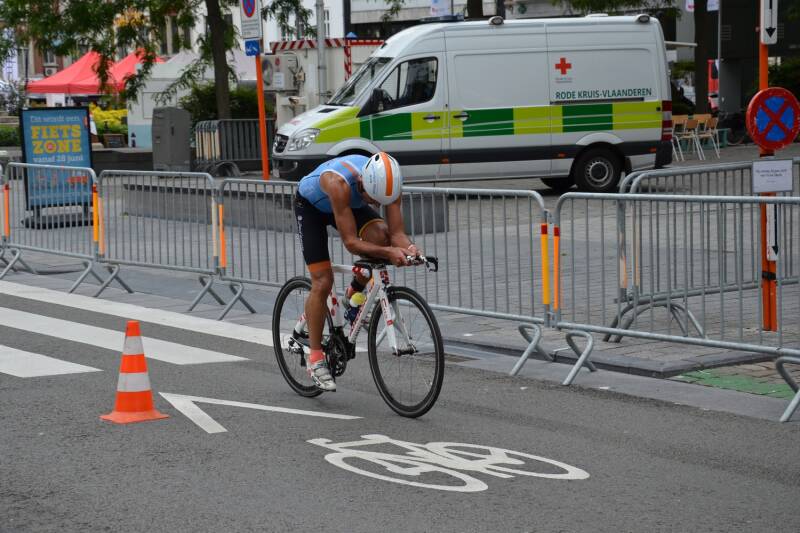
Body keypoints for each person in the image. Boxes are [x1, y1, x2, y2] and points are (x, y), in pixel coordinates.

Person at [294, 152, 420, 391]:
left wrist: (410, 248)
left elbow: (396, 234)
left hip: (349, 205)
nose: (375, 205)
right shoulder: (338, 183)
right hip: (313, 208)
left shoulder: (390, 185)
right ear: (363, 183)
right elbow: (350, 243)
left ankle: (353, 294)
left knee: (381, 238)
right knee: (322, 281)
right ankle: (316, 358)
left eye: (379, 201)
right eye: (372, 199)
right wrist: (390, 253)